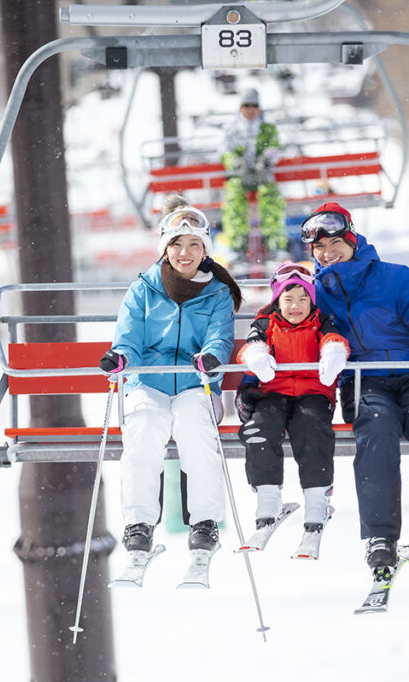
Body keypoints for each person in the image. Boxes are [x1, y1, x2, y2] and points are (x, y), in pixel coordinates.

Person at [301, 202, 409, 580]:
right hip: (363, 380)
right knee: (376, 435)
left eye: (335, 244)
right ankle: (380, 537)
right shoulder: (312, 293)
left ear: (352, 239)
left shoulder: (396, 278)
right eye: (320, 249)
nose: (328, 254)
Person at [99, 194, 244, 558]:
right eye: (177, 244)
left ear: (205, 250)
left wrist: (211, 357)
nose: (185, 252)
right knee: (144, 431)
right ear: (165, 248)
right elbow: (129, 337)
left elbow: (220, 336)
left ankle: (205, 521)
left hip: (196, 383)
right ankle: (139, 523)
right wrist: (120, 357)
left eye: (194, 244)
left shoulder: (218, 294)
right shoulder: (143, 290)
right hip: (148, 382)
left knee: (196, 432)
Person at [235, 262, 350, 544]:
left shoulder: (322, 321)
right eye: (288, 299)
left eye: (303, 299)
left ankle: (316, 500)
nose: (296, 306)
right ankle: (267, 498)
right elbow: (252, 345)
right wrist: (256, 357)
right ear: (277, 300)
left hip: (313, 392)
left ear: (312, 300)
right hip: (273, 392)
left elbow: (335, 339)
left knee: (312, 429)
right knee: (259, 429)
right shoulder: (265, 322)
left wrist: (334, 352)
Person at [221, 87, 287, 263]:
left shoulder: (267, 128)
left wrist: (265, 161)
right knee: (234, 197)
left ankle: (275, 244)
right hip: (239, 177)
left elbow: (274, 148)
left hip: (262, 175)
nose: (250, 109)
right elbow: (226, 151)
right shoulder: (232, 129)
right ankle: (237, 246)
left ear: (259, 108)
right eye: (246, 105)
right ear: (240, 108)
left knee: (271, 196)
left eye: (254, 105)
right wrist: (236, 163)